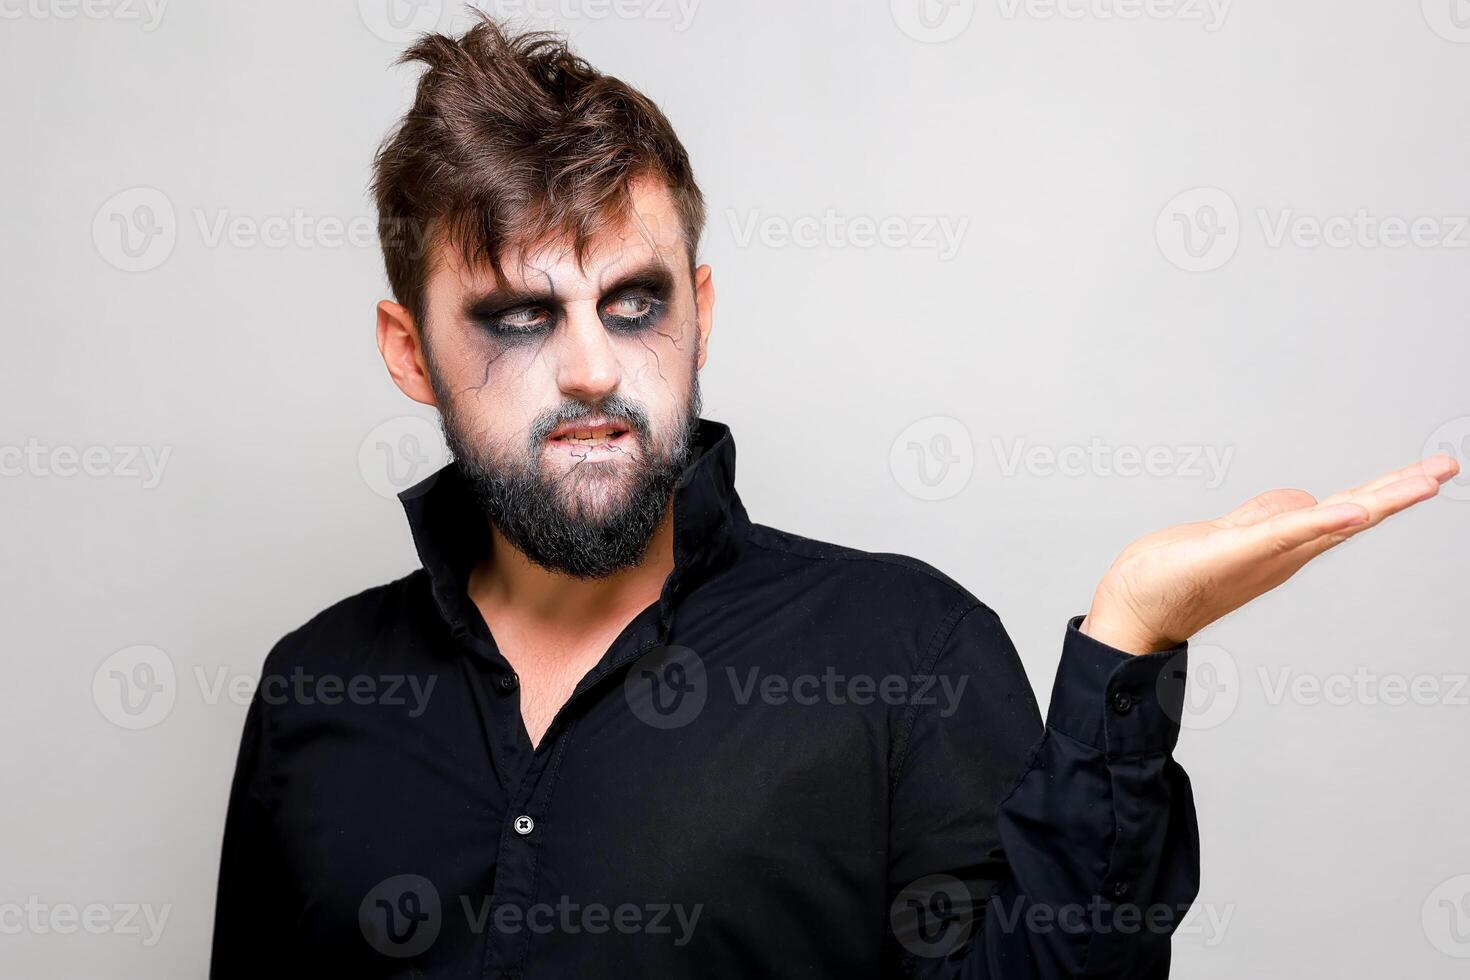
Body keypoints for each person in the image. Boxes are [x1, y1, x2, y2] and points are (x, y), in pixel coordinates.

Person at [208, 14, 1459, 978]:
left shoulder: (904, 654)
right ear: (408, 347)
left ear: (704, 312)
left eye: (634, 302)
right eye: (519, 315)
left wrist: (1129, 642)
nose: (592, 365)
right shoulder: (317, 687)